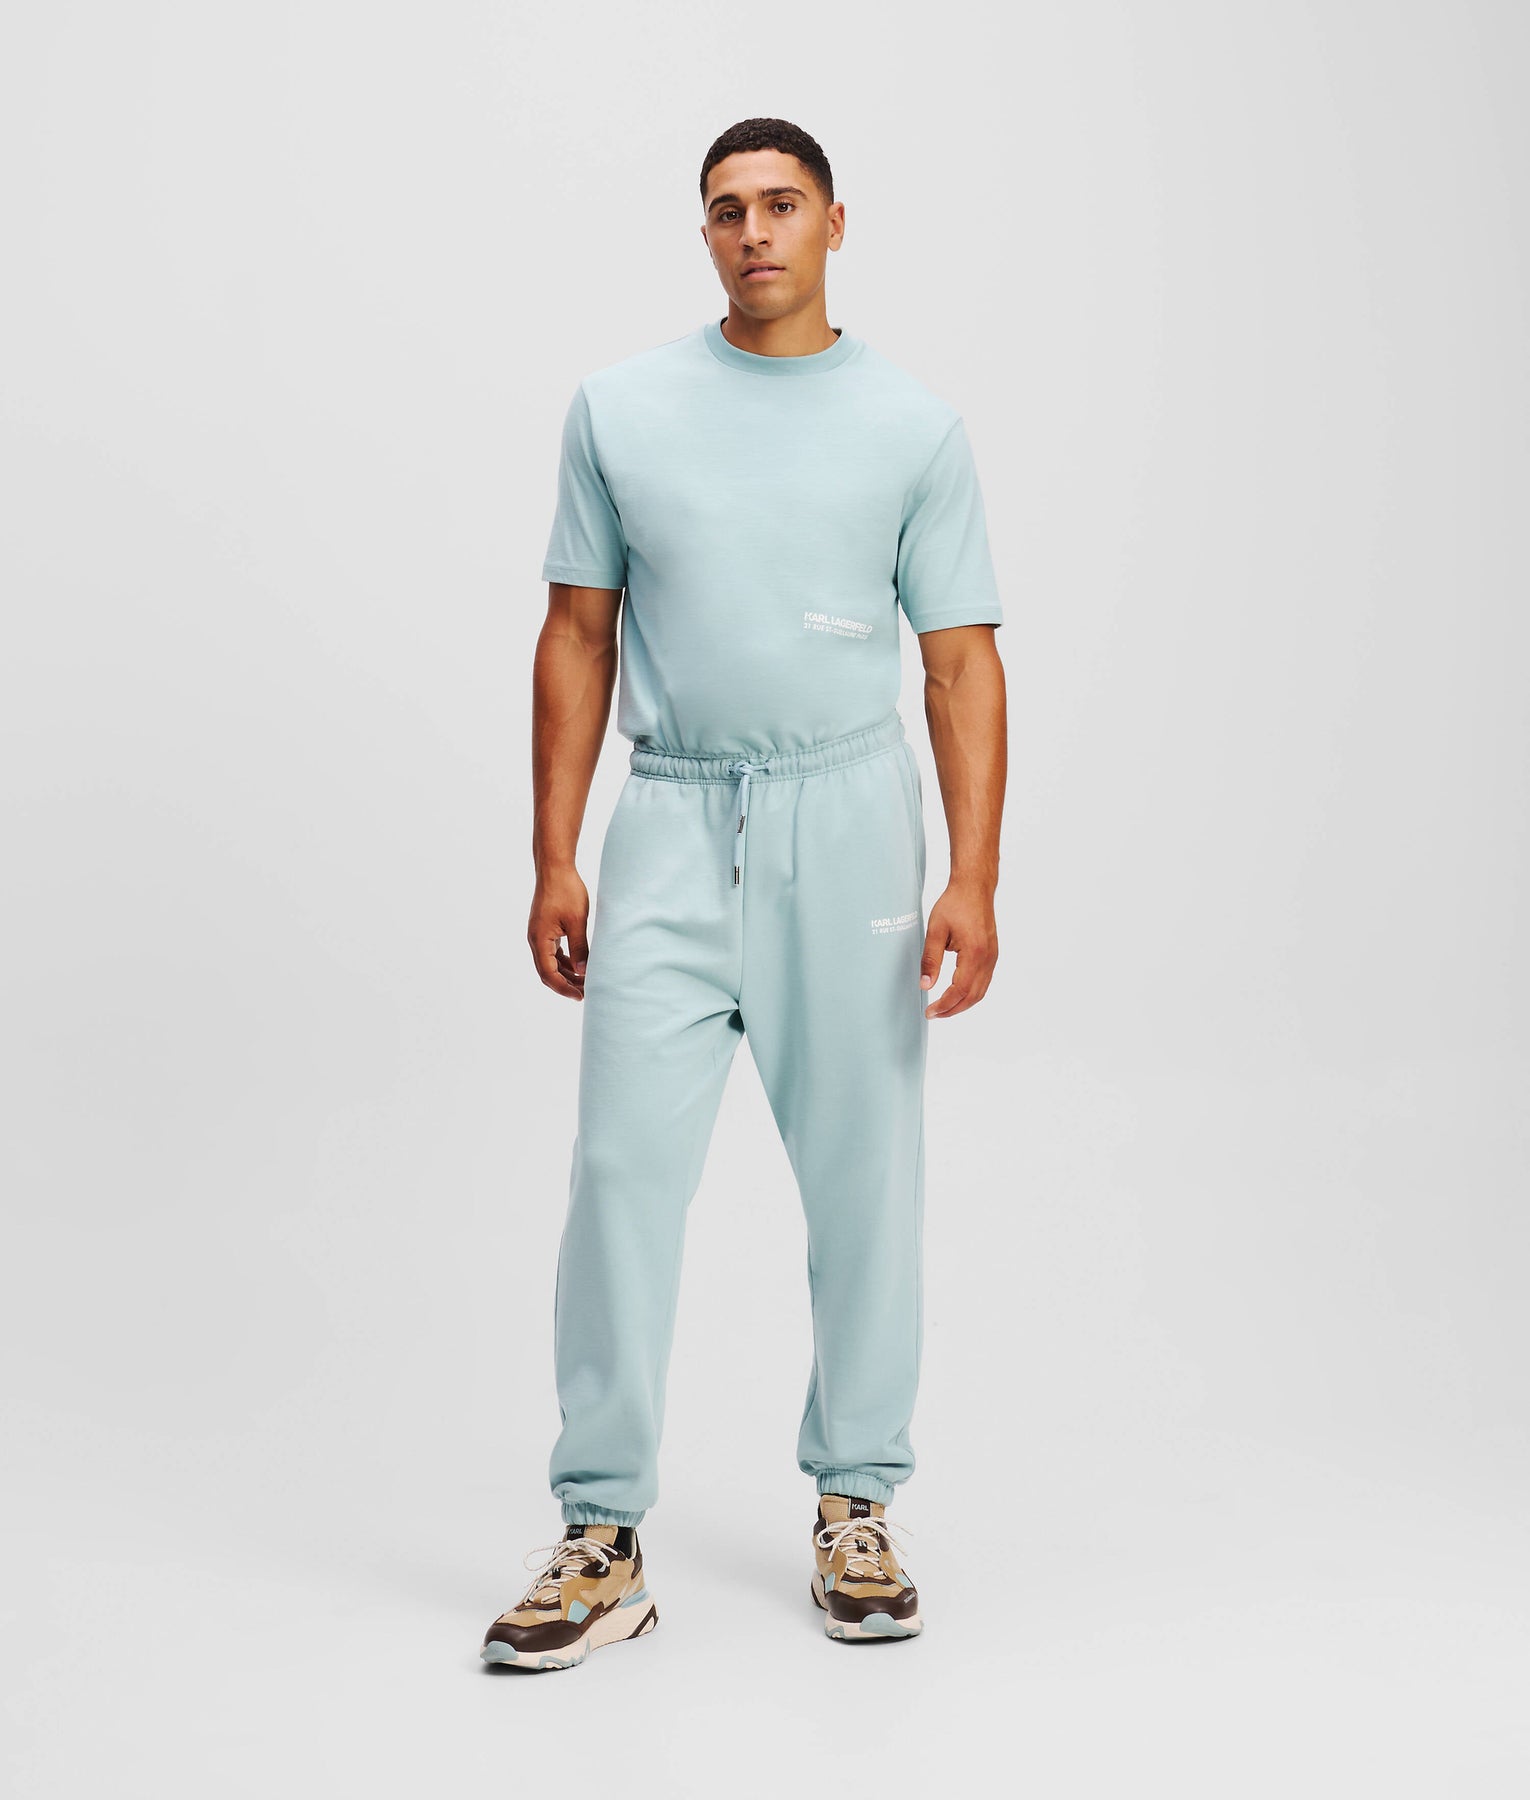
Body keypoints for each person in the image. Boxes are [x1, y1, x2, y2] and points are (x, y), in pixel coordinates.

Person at [481, 116, 1006, 1670]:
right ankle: (600, 1534)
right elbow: (577, 633)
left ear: (836, 222)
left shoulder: (910, 426)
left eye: (781, 204)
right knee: (619, 1177)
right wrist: (553, 850)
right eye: (726, 210)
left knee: (863, 1180)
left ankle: (856, 1502)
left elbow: (959, 662)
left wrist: (973, 875)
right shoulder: (621, 409)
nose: (754, 231)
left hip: (847, 826)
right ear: (702, 234)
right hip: (668, 818)